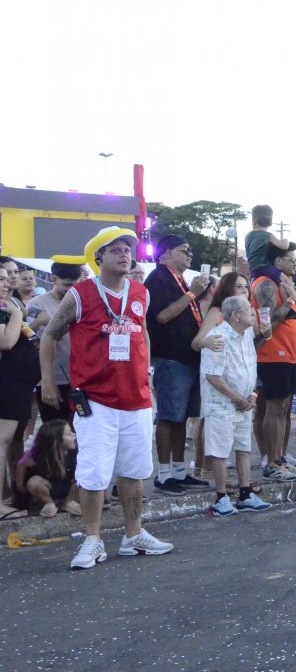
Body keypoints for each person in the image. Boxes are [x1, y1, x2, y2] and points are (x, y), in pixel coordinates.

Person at [42, 226, 175, 569]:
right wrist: (48, 381)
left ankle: (134, 535)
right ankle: (92, 540)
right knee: (94, 474)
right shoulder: (80, 294)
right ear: (98, 257)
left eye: (127, 249)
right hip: (95, 399)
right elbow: (50, 335)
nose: (124, 254)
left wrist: (147, 372)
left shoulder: (140, 292)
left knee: (134, 470)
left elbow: (143, 332)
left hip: (136, 397)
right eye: (115, 249)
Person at [145, 235, 212, 494]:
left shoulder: (179, 279)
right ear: (167, 253)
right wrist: (192, 293)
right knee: (168, 416)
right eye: (185, 250)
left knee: (181, 417)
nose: (190, 254)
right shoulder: (158, 278)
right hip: (171, 359)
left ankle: (179, 470)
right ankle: (163, 474)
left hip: (187, 358)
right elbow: (162, 316)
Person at [199, 295, 273, 514]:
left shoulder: (247, 334)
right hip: (221, 404)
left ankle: (245, 493)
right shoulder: (217, 337)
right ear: (235, 316)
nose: (253, 312)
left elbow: (250, 367)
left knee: (244, 447)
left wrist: (252, 394)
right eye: (248, 309)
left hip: (244, 402)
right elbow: (212, 376)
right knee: (220, 451)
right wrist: (237, 398)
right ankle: (221, 497)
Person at [250, 243, 296, 481]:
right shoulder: (266, 284)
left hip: (286, 353)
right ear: (277, 262)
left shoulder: (282, 283)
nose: (295, 263)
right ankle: (271, 462)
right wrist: (290, 300)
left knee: (282, 409)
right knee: (273, 409)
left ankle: (278, 459)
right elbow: (267, 322)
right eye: (290, 259)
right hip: (272, 354)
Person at [1, 264, 42, 503]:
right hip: (8, 381)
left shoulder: (11, 302)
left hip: (20, 382)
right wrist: (17, 315)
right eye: (5, 275)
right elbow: (6, 342)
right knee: (3, 439)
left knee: (15, 438)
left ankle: (13, 489)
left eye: (14, 273)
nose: (11, 279)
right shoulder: (4, 307)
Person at [26, 262, 81, 423]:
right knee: (54, 431)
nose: (71, 290)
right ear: (53, 279)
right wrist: (47, 381)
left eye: (75, 285)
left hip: (79, 379)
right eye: (67, 285)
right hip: (53, 379)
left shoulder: (80, 303)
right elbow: (31, 341)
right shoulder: (37, 304)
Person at [14, 419, 81, 518]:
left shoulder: (77, 453)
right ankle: (49, 503)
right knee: (34, 482)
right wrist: (20, 485)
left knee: (83, 478)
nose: (73, 435)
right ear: (56, 439)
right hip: (49, 487)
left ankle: (69, 502)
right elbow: (22, 464)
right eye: (68, 433)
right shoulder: (41, 457)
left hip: (69, 486)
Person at [244, 204, 295, 282]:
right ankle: (290, 290)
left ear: (254, 222)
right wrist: (286, 240)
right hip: (265, 267)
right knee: (285, 280)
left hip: (253, 270)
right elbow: (284, 246)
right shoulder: (268, 236)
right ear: (270, 222)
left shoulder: (248, 236)